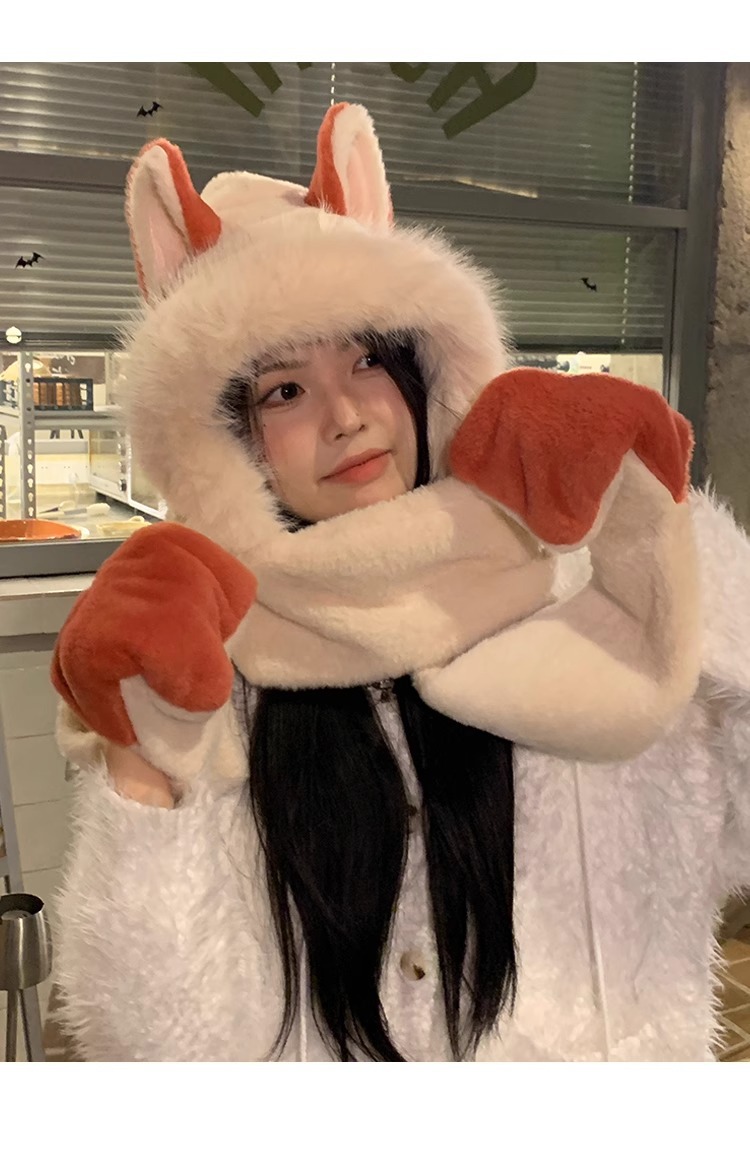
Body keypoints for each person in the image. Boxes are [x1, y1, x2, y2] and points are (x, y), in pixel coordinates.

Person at [50, 102, 750, 1063]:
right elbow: (163, 1041)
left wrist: (663, 535)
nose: (345, 414)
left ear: (426, 371)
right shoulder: (213, 660)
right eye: (284, 389)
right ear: (226, 443)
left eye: (369, 358)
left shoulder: (566, 580)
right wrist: (142, 761)